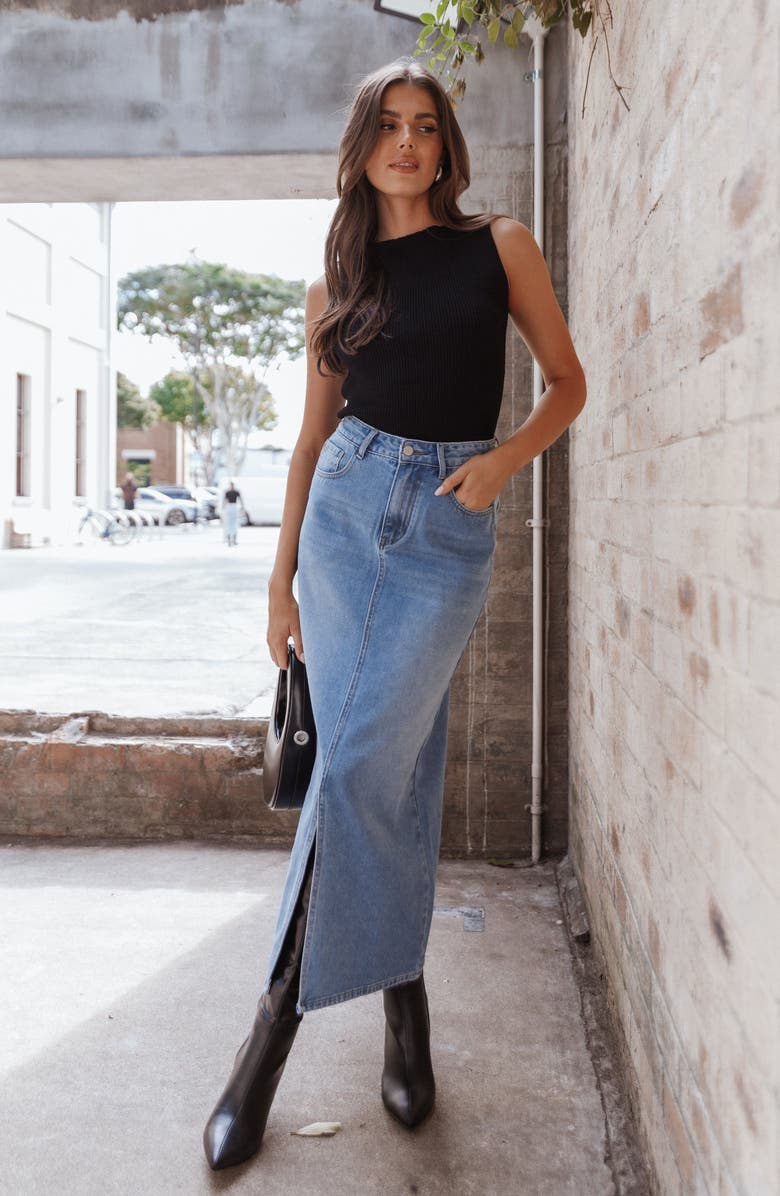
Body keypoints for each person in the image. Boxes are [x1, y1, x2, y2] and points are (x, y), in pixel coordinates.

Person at [203, 56, 587, 1171]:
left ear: (444, 145)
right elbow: (314, 440)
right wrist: (278, 580)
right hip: (343, 515)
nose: (409, 143)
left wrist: (505, 464)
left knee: (373, 756)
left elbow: (567, 379)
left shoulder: (498, 247)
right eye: (391, 125)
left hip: (446, 529)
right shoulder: (338, 284)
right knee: (383, 763)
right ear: (363, 144)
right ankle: (350, 1013)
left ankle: (301, 1017)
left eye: (426, 126)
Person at [221, 480, 242, 546]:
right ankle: (229, 539)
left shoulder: (236, 492)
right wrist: (223, 507)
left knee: (234, 523)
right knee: (229, 524)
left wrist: (242, 508)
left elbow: (240, 500)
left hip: (234, 506)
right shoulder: (227, 492)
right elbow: (225, 500)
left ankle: (234, 539)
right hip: (229, 507)